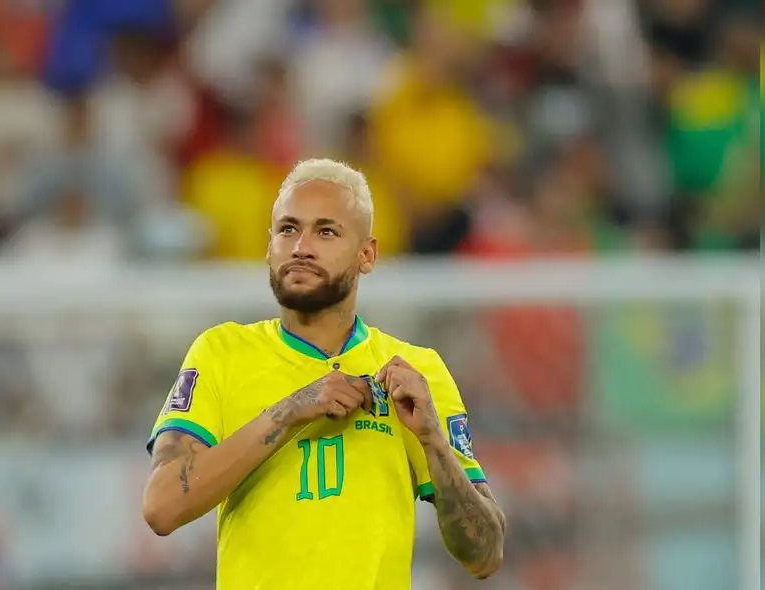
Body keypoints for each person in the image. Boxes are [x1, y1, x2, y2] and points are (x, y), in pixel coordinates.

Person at [141, 159, 506, 589]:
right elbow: (161, 507)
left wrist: (433, 443)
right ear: (269, 246)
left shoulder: (414, 371)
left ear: (367, 254)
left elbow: (484, 555)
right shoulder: (221, 352)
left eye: (326, 231)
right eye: (288, 229)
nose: (301, 247)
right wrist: (292, 409)